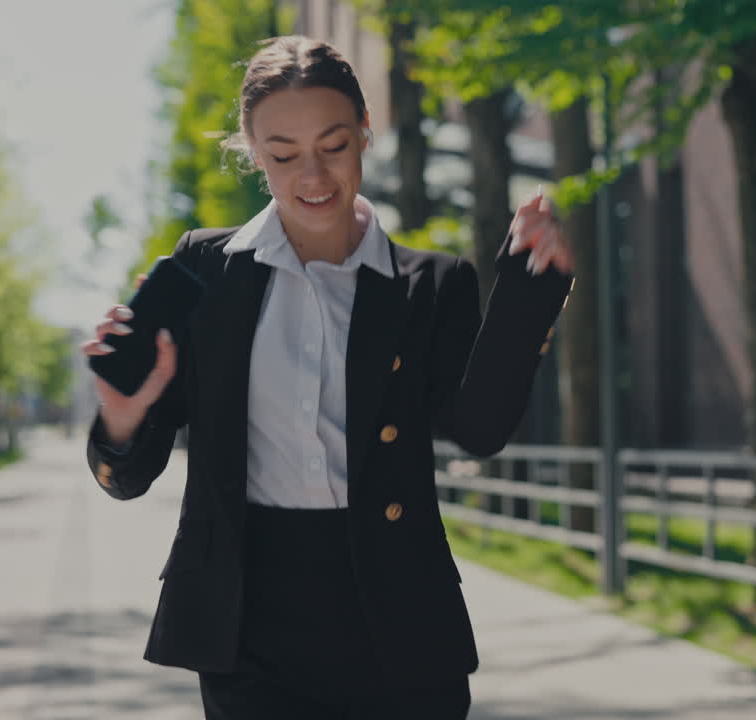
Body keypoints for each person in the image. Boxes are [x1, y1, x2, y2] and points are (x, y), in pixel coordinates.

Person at [81, 35, 575, 719]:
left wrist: (531, 295)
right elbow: (127, 478)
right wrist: (123, 414)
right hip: (246, 622)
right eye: (283, 154)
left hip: (399, 614)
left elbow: (480, 429)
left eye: (334, 145)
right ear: (253, 151)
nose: (312, 175)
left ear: (366, 132)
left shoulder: (431, 284)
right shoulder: (205, 271)